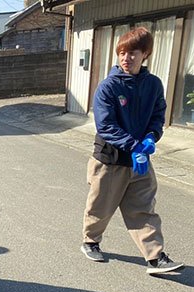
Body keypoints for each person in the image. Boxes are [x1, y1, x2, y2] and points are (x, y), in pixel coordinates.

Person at [81, 27, 184, 275]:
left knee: (144, 208)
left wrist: (151, 137)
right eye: (122, 53)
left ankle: (155, 257)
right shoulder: (108, 87)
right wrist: (135, 146)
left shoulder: (153, 85)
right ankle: (90, 241)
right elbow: (106, 126)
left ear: (145, 54)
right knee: (101, 206)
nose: (126, 58)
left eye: (133, 53)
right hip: (111, 159)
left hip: (140, 161)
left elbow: (158, 116)